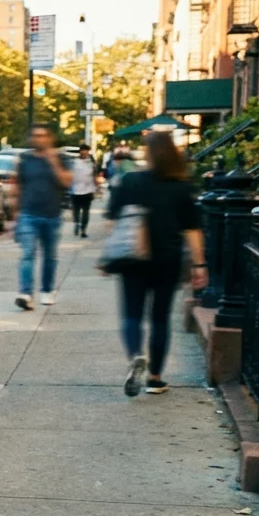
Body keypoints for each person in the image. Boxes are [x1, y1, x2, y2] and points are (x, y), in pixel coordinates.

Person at [106, 130, 208, 396]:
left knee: (131, 315)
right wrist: (199, 264)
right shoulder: (181, 185)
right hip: (167, 258)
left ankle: (136, 356)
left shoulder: (130, 180)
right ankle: (155, 378)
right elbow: (193, 229)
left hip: (133, 258)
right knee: (160, 318)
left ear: (148, 153)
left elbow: (112, 220)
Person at [12, 125, 71, 310]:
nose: (39, 139)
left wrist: (53, 161)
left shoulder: (62, 158)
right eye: (35, 136)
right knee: (28, 254)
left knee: (50, 256)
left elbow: (67, 182)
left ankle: (47, 290)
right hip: (28, 214)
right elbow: (17, 186)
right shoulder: (25, 159)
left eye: (43, 136)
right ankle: (26, 294)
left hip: (52, 215)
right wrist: (14, 215)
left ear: (50, 138)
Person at [69, 143, 97, 238]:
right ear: (80, 151)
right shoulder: (74, 162)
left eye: (87, 150)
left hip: (88, 190)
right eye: (83, 150)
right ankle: (77, 223)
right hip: (75, 190)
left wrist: (96, 188)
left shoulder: (91, 162)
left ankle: (83, 230)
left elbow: (94, 175)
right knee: (76, 210)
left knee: (86, 211)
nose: (85, 152)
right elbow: (69, 175)